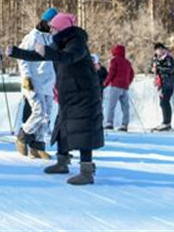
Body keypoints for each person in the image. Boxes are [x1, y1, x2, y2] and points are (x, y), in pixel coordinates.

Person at [8, 12, 104, 185]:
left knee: (83, 130)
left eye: (53, 27)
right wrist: (16, 52)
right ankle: (62, 162)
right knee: (62, 128)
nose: (50, 30)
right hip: (69, 94)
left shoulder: (77, 42)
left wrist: (48, 52)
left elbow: (68, 57)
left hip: (84, 93)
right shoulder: (58, 43)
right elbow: (39, 56)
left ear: (61, 28)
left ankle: (86, 171)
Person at [13, 8, 57, 159]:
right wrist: (26, 77)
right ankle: (22, 136)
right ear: (46, 22)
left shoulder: (52, 38)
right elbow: (22, 57)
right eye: (52, 23)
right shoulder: (33, 37)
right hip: (33, 81)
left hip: (49, 82)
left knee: (46, 116)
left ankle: (38, 147)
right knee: (38, 112)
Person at [103, 45, 135, 132]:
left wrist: (105, 83)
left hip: (116, 86)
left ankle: (109, 123)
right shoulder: (127, 62)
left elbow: (111, 73)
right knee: (125, 107)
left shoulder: (114, 60)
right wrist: (128, 82)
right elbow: (132, 74)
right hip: (124, 87)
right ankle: (125, 124)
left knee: (111, 105)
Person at [151, 42, 174, 131]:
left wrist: (159, 68)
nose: (159, 51)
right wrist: (154, 69)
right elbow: (154, 69)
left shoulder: (168, 58)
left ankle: (167, 123)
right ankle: (165, 122)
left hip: (168, 83)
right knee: (162, 102)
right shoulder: (156, 59)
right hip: (160, 83)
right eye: (157, 50)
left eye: (161, 49)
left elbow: (170, 69)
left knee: (164, 102)